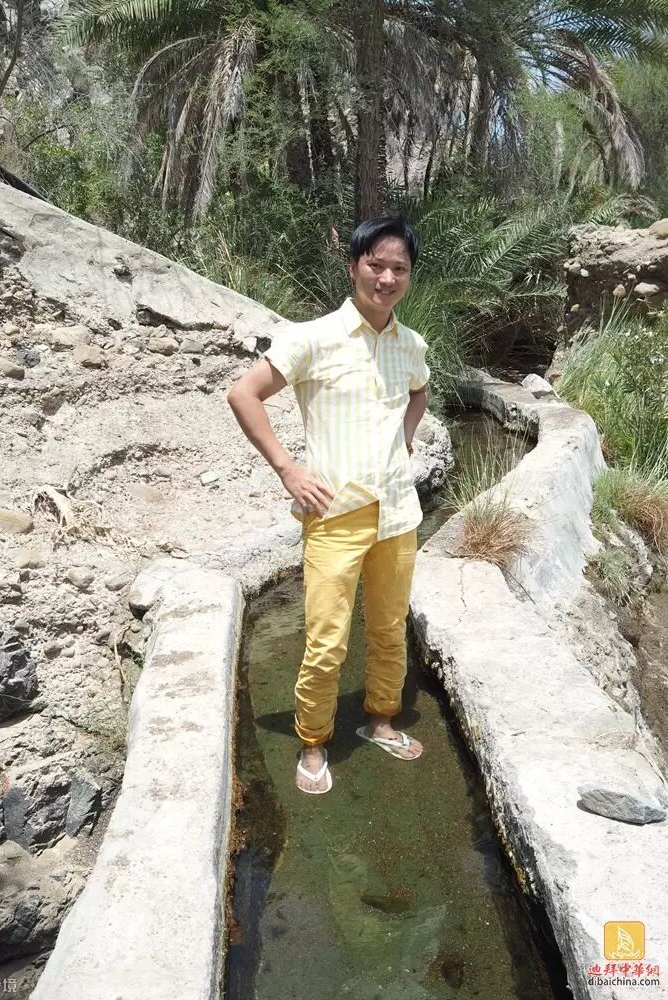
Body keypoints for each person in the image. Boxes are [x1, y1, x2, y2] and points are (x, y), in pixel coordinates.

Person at [226, 216, 430, 794]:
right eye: (376, 265)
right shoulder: (313, 338)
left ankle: (381, 720)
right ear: (354, 266)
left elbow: (420, 391)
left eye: (398, 268)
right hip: (335, 515)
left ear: (409, 276)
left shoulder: (411, 345)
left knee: (389, 628)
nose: (386, 278)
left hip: (397, 512)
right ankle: (313, 741)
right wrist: (288, 469)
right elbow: (244, 394)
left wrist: (405, 437)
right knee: (327, 640)